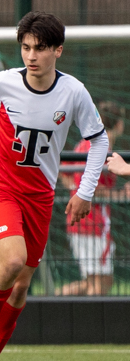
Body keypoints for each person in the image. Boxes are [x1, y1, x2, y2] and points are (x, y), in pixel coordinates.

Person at [0, 11, 108, 361]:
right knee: (13, 260)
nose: (31, 56)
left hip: (39, 196)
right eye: (26, 47)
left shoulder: (73, 92)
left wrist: (85, 191)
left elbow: (99, 139)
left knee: (21, 286)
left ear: (58, 50)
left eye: (40, 48)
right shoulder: (3, 83)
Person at [58, 102, 126, 296]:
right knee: (99, 285)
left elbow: (64, 171)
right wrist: (120, 195)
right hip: (92, 223)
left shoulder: (84, 144)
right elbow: (89, 187)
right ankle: (56, 306)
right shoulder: (99, 148)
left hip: (80, 221)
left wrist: (74, 189)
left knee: (95, 282)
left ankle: (54, 299)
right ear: (119, 124)